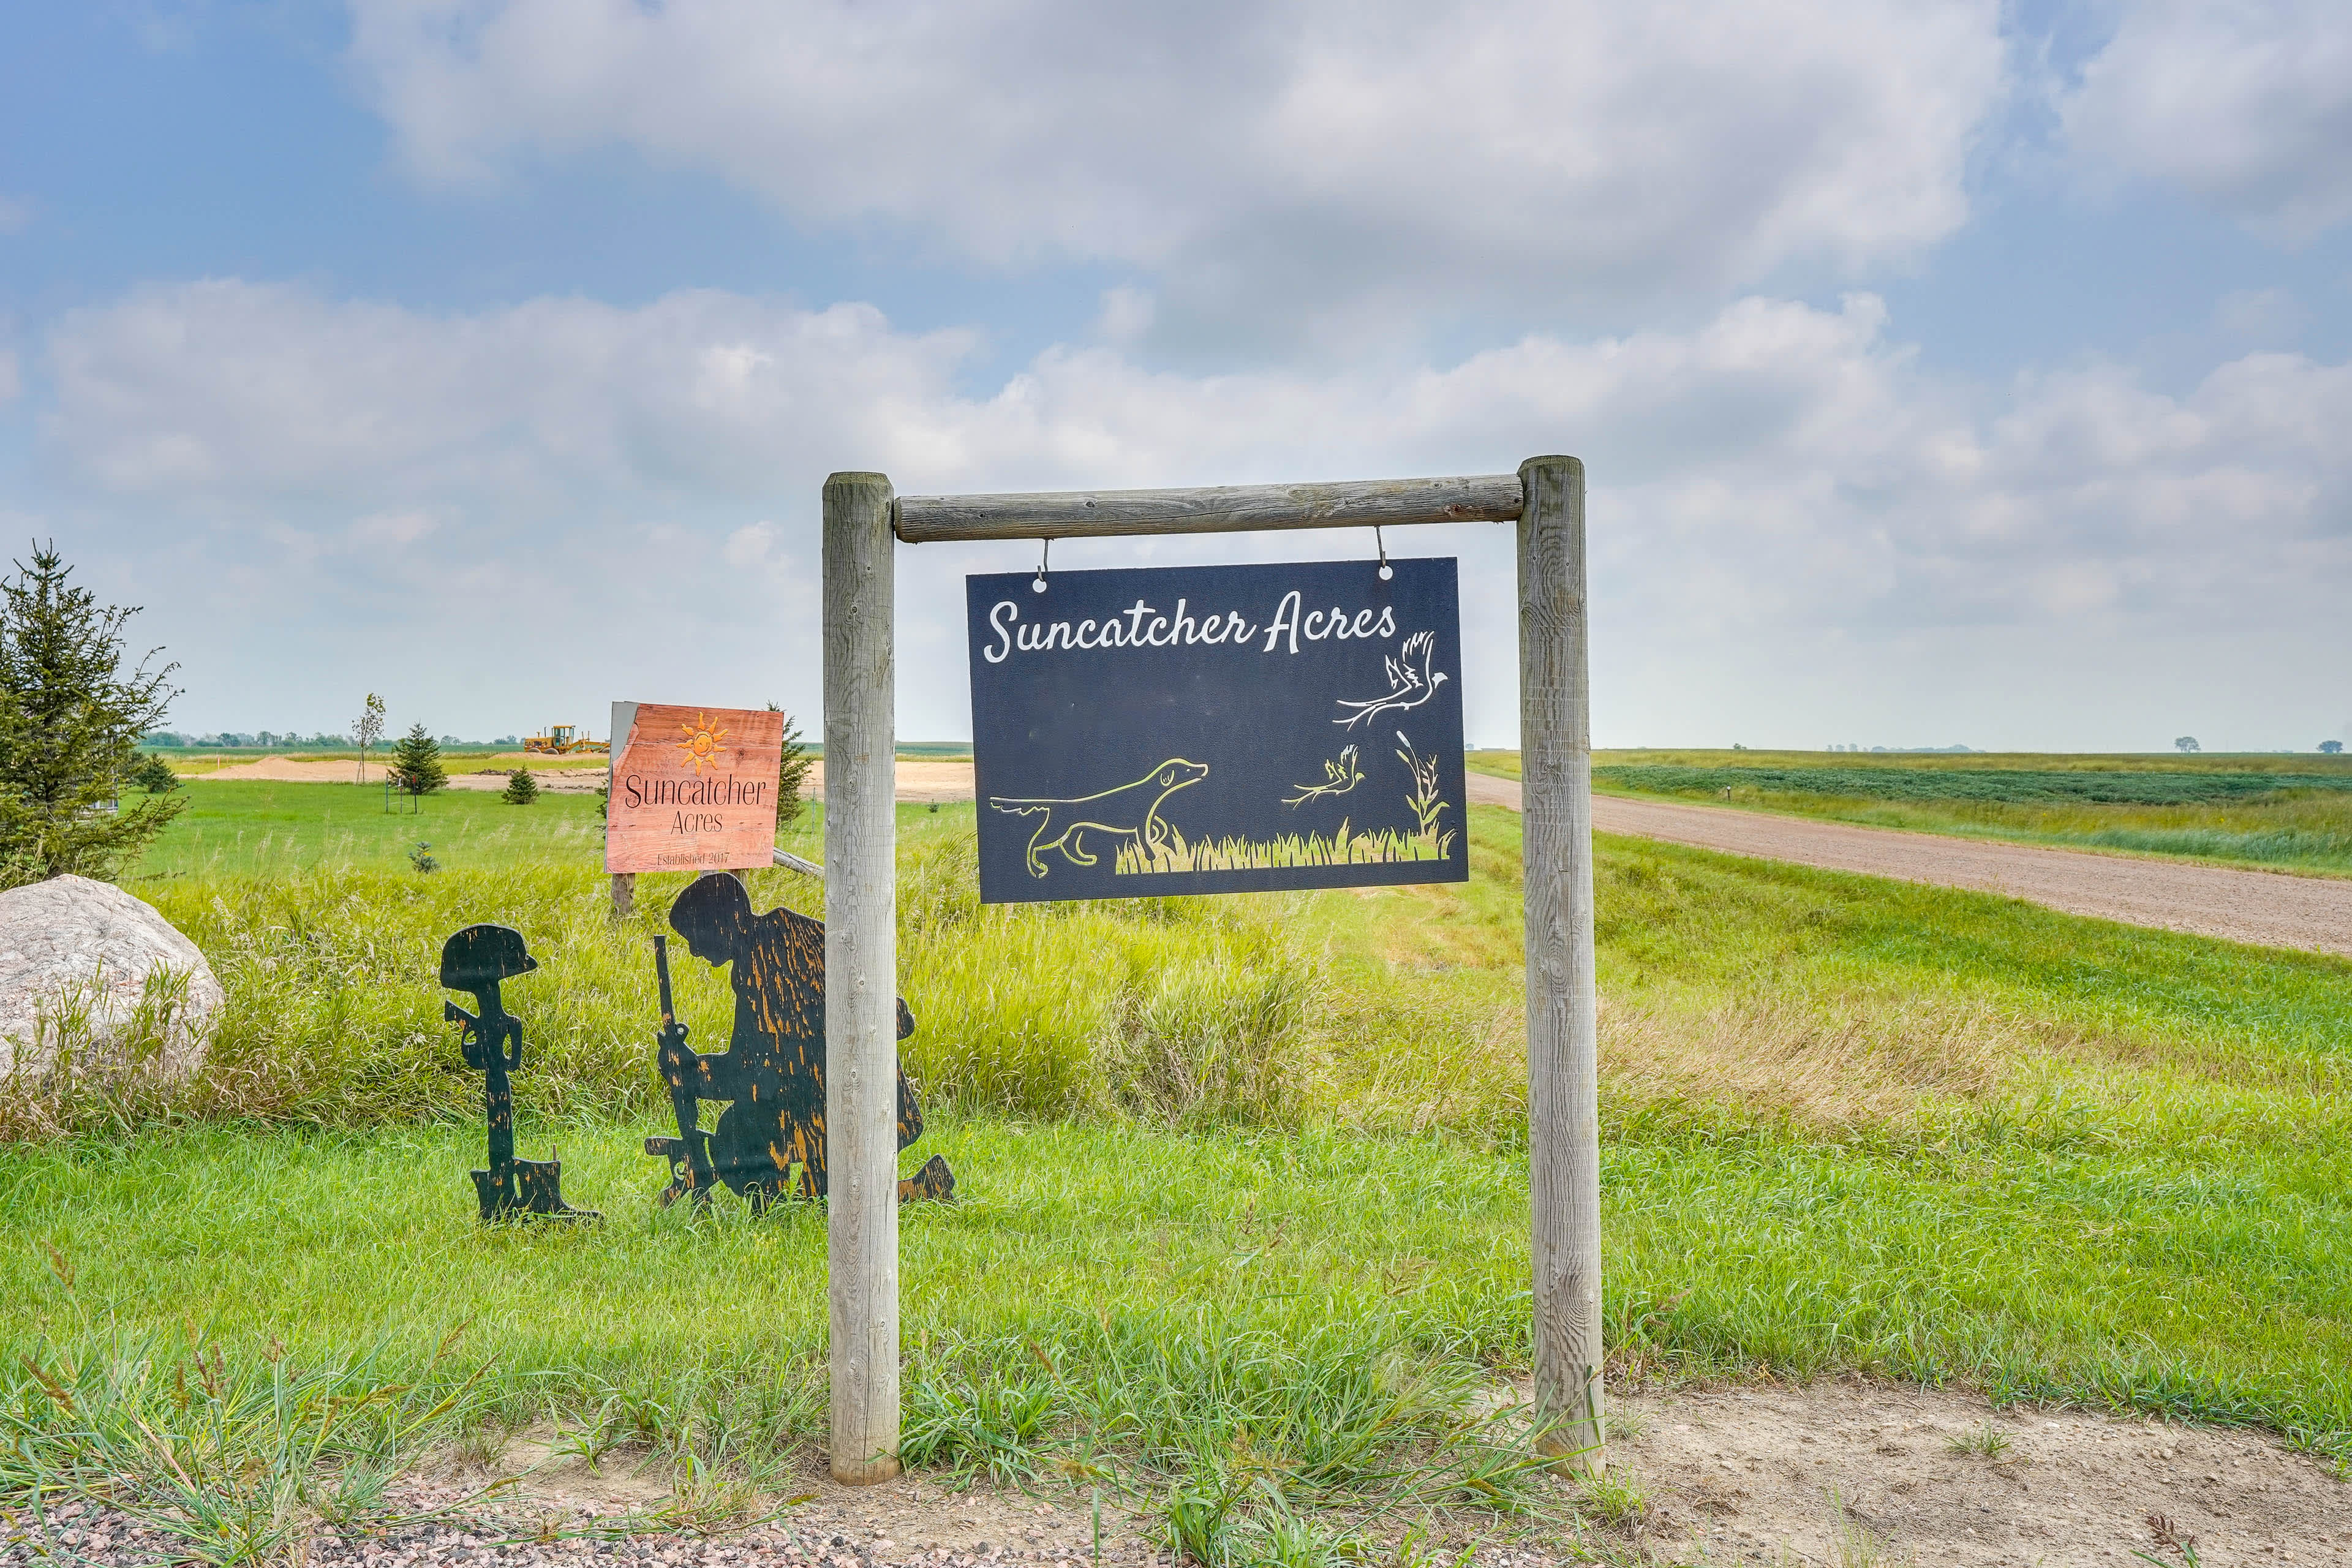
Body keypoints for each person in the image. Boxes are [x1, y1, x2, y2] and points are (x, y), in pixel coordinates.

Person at [663, 872, 952, 1205]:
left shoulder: (770, 960)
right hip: (837, 1096)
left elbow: (754, 1077)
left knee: (737, 1136)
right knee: (821, 1190)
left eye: (696, 936)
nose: (694, 951)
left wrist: (691, 1073)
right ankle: (923, 1187)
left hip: (852, 1103)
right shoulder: (769, 944)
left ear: (726, 923)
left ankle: (791, 1207)